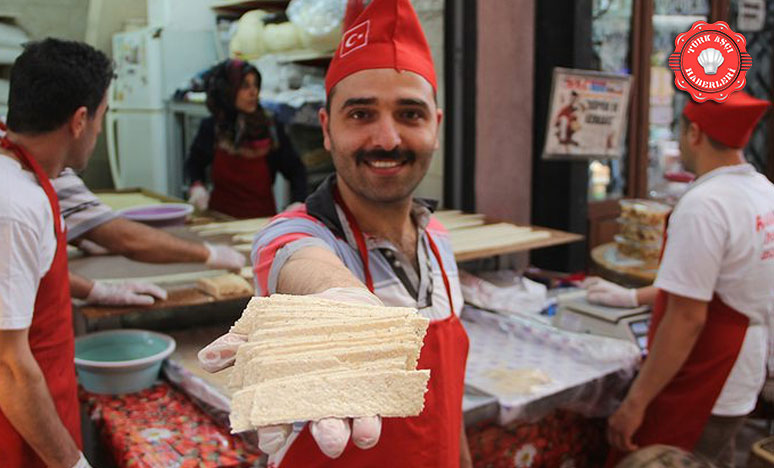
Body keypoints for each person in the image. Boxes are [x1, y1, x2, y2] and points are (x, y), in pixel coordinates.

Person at [198, 0, 472, 466]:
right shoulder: (293, 233)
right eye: (361, 114)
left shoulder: (439, 240)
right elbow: (302, 263)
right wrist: (341, 301)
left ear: (437, 126)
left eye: (410, 114)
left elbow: (446, 396)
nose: (387, 139)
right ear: (326, 128)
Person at [593, 92, 774, 467]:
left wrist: (635, 402)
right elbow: (716, 282)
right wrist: (630, 298)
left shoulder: (705, 205)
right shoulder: (764, 193)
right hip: (744, 373)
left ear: (695, 133)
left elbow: (687, 317)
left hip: (703, 374)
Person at [0, 38, 113, 468]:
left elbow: (23, 279)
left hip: (46, 407)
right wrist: (71, 463)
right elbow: (9, 368)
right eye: (103, 117)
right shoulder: (14, 205)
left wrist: (93, 288)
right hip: (18, 436)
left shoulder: (26, 179)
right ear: (81, 119)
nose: (101, 132)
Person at [53, 167, 247, 306]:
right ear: (79, 122)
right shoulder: (53, 174)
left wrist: (81, 236)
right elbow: (128, 239)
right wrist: (208, 254)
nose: (98, 132)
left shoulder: (40, 167)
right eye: (97, 126)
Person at [185, 59, 307, 219]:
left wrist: (298, 202)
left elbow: (296, 170)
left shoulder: (270, 127)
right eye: (245, 86)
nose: (253, 92)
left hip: (261, 222)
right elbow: (194, 164)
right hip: (218, 219)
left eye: (255, 85)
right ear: (228, 90)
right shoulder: (213, 128)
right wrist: (197, 186)